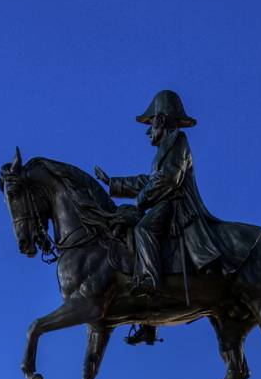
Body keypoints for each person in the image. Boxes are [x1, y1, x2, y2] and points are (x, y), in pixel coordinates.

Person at [96, 89, 227, 299]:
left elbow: (168, 178)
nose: (148, 132)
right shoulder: (165, 148)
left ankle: (150, 280)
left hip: (177, 205)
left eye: (150, 125)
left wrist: (141, 199)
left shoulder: (178, 141)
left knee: (143, 229)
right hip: (165, 202)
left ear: (161, 119)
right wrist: (112, 182)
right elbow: (148, 181)